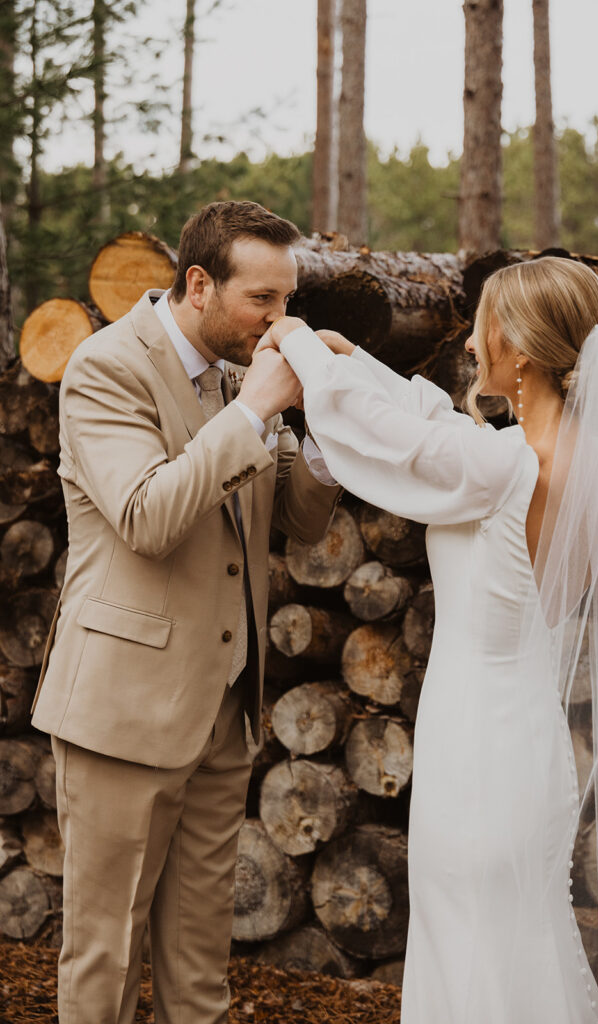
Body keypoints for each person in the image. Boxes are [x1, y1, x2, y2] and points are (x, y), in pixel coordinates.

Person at [259, 256, 598, 1024]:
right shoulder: (565, 456)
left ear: (519, 348)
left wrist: (302, 350)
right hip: (517, 734)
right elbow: (437, 430)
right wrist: (356, 362)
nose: (468, 346)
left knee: (474, 945)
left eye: (485, 327)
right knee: (513, 939)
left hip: (481, 747)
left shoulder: (505, 465)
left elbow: (392, 444)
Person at [31, 200, 342, 1024]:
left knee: (200, 963)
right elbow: (147, 517)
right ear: (199, 284)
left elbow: (303, 522)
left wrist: (322, 414)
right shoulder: (106, 367)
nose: (280, 320)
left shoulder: (243, 377)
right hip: (123, 712)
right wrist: (252, 412)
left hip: (222, 707)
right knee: (106, 959)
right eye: (263, 301)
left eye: (288, 301)